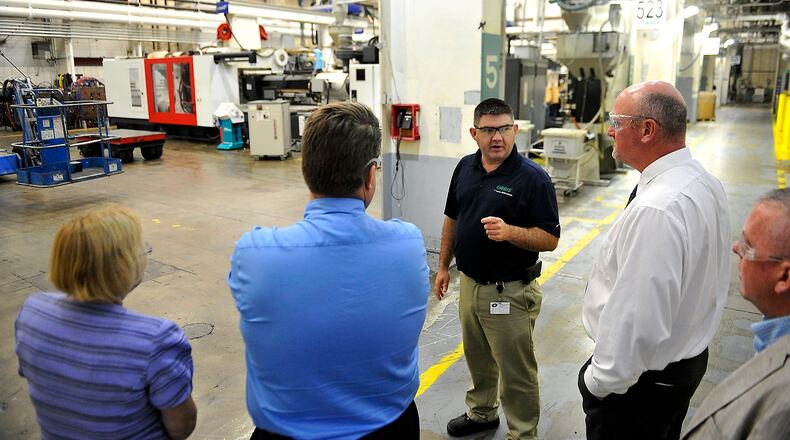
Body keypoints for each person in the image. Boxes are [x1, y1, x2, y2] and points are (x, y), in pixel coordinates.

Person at [228, 101, 428, 440]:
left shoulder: (254, 254)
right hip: (391, 429)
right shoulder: (408, 244)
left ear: (306, 169)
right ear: (369, 176)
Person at [579, 80, 731, 440]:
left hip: (639, 384)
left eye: (617, 120)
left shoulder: (658, 209)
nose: (610, 129)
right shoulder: (702, 183)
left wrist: (597, 382)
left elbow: (637, 318)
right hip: (681, 365)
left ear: (647, 129)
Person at [435, 98, 560, 439]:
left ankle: (522, 433)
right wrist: (443, 266)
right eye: (489, 130)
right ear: (475, 133)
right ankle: (482, 413)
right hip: (470, 284)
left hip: (510, 291)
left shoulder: (533, 179)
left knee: (515, 371)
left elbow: (550, 239)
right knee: (478, 359)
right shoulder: (464, 168)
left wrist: (510, 233)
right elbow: (452, 219)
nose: (497, 137)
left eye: (504, 128)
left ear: (515, 130)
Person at [14, 205, 197, 440]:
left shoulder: (32, 312)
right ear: (123, 265)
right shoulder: (156, 340)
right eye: (140, 249)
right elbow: (181, 426)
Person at [682, 189, 790, 439]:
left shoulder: (783, 404)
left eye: (748, 247)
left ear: (784, 276)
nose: (735, 248)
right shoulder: (771, 335)